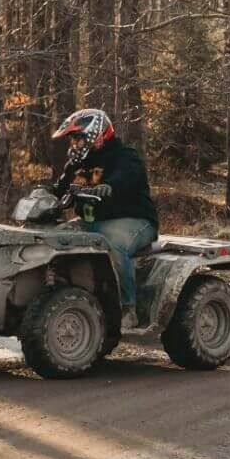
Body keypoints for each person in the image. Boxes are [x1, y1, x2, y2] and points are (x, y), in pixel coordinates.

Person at [50, 108, 159, 317]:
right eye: (73, 139)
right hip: (91, 222)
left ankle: (128, 308)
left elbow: (125, 176)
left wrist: (109, 186)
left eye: (79, 138)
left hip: (134, 220)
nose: (76, 144)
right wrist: (44, 197)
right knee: (52, 238)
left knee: (113, 245)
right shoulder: (76, 164)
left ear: (97, 133)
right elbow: (59, 189)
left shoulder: (125, 156)